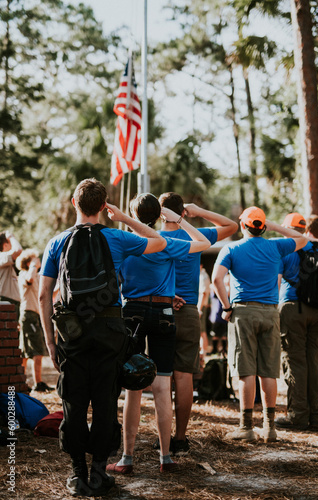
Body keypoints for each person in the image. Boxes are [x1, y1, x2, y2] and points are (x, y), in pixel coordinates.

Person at [38, 178, 167, 497]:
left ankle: (77, 475)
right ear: (103, 206)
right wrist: (123, 218)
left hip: (73, 332)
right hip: (110, 330)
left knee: (74, 401)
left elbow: (44, 295)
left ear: (73, 203)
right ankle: (99, 473)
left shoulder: (57, 242)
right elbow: (159, 241)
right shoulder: (117, 237)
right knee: (106, 399)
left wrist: (51, 342)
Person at [107, 193, 210, 475]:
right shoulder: (167, 243)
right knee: (163, 386)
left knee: (133, 388)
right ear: (158, 216)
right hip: (164, 312)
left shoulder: (124, 242)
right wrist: (179, 221)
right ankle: (166, 458)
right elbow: (205, 243)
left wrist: (123, 219)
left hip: (133, 314)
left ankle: (127, 459)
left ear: (132, 213)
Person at [212, 207, 307, 443]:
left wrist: (226, 307)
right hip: (270, 313)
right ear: (262, 227)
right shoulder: (275, 246)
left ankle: (246, 427)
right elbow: (302, 239)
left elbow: (216, 279)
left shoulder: (231, 248)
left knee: (246, 370)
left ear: (243, 225)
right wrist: (273, 226)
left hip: (243, 312)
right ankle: (270, 427)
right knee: (268, 371)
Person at [159, 193, 238, 454]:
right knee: (184, 376)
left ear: (161, 213)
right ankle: (180, 438)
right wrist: (198, 211)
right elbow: (232, 226)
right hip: (189, 311)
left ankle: (162, 440)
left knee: (161, 376)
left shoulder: (151, 238)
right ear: (182, 212)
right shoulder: (196, 235)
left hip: (160, 308)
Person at [276, 213, 318, 430]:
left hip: (293, 308)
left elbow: (277, 281)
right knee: (313, 362)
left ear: (287, 229)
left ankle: (297, 416)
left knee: (294, 362)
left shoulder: (286, 250)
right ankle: (314, 417)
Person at [16, 249, 53, 392]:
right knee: (36, 350)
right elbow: (29, 279)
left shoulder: (35, 276)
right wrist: (33, 265)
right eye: (34, 259)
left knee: (27, 351)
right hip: (28, 315)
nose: (38, 261)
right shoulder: (24, 275)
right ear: (28, 262)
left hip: (34, 316)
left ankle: (22, 381)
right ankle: (37, 383)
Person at [0, 231, 22, 321]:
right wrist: (10, 236)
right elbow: (18, 250)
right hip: (6, 302)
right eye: (10, 243)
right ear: (5, 245)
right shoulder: (2, 256)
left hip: (11, 302)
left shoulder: (6, 261)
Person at [198, 264, 211, 356]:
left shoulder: (203, 276)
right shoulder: (202, 275)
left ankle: (203, 351)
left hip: (201, 306)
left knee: (201, 330)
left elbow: (203, 293)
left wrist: (199, 309)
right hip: (202, 305)